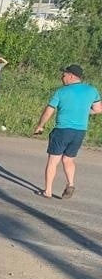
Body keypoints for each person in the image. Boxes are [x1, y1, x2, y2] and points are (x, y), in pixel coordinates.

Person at [33, 64, 102, 199]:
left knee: (53, 160)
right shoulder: (92, 90)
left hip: (62, 130)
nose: (62, 77)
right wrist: (83, 111)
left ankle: (47, 191)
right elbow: (99, 109)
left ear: (71, 76)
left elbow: (49, 111)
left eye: (64, 75)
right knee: (68, 159)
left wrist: (40, 125)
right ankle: (70, 184)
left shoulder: (61, 92)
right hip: (80, 131)